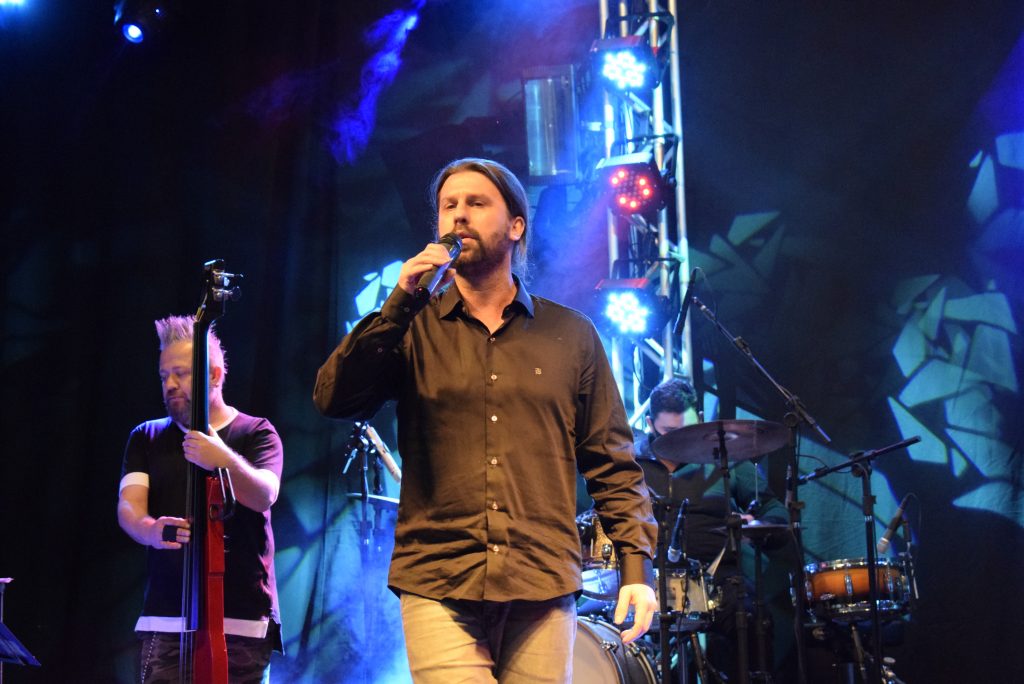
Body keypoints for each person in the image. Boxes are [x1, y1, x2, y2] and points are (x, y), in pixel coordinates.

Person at [313, 157, 658, 683]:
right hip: (439, 578)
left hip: (541, 579)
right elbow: (334, 399)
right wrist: (399, 303)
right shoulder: (410, 328)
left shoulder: (571, 335)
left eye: (476, 203)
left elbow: (611, 460)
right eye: (448, 205)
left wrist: (636, 566)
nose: (458, 216)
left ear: (516, 225)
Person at [117, 315, 284, 684]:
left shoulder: (257, 432)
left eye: (181, 373)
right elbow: (129, 507)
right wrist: (151, 530)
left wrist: (221, 458)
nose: (170, 385)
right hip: (166, 620)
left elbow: (264, 495)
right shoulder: (146, 436)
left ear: (214, 375)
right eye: (164, 376)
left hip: (240, 621)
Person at [634, 377, 787, 681]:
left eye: (688, 430)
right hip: (649, 583)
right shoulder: (630, 465)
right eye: (670, 433)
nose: (681, 441)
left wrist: (755, 524)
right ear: (650, 424)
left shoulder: (727, 461)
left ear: (701, 420)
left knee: (754, 620)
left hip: (719, 581)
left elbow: (775, 511)